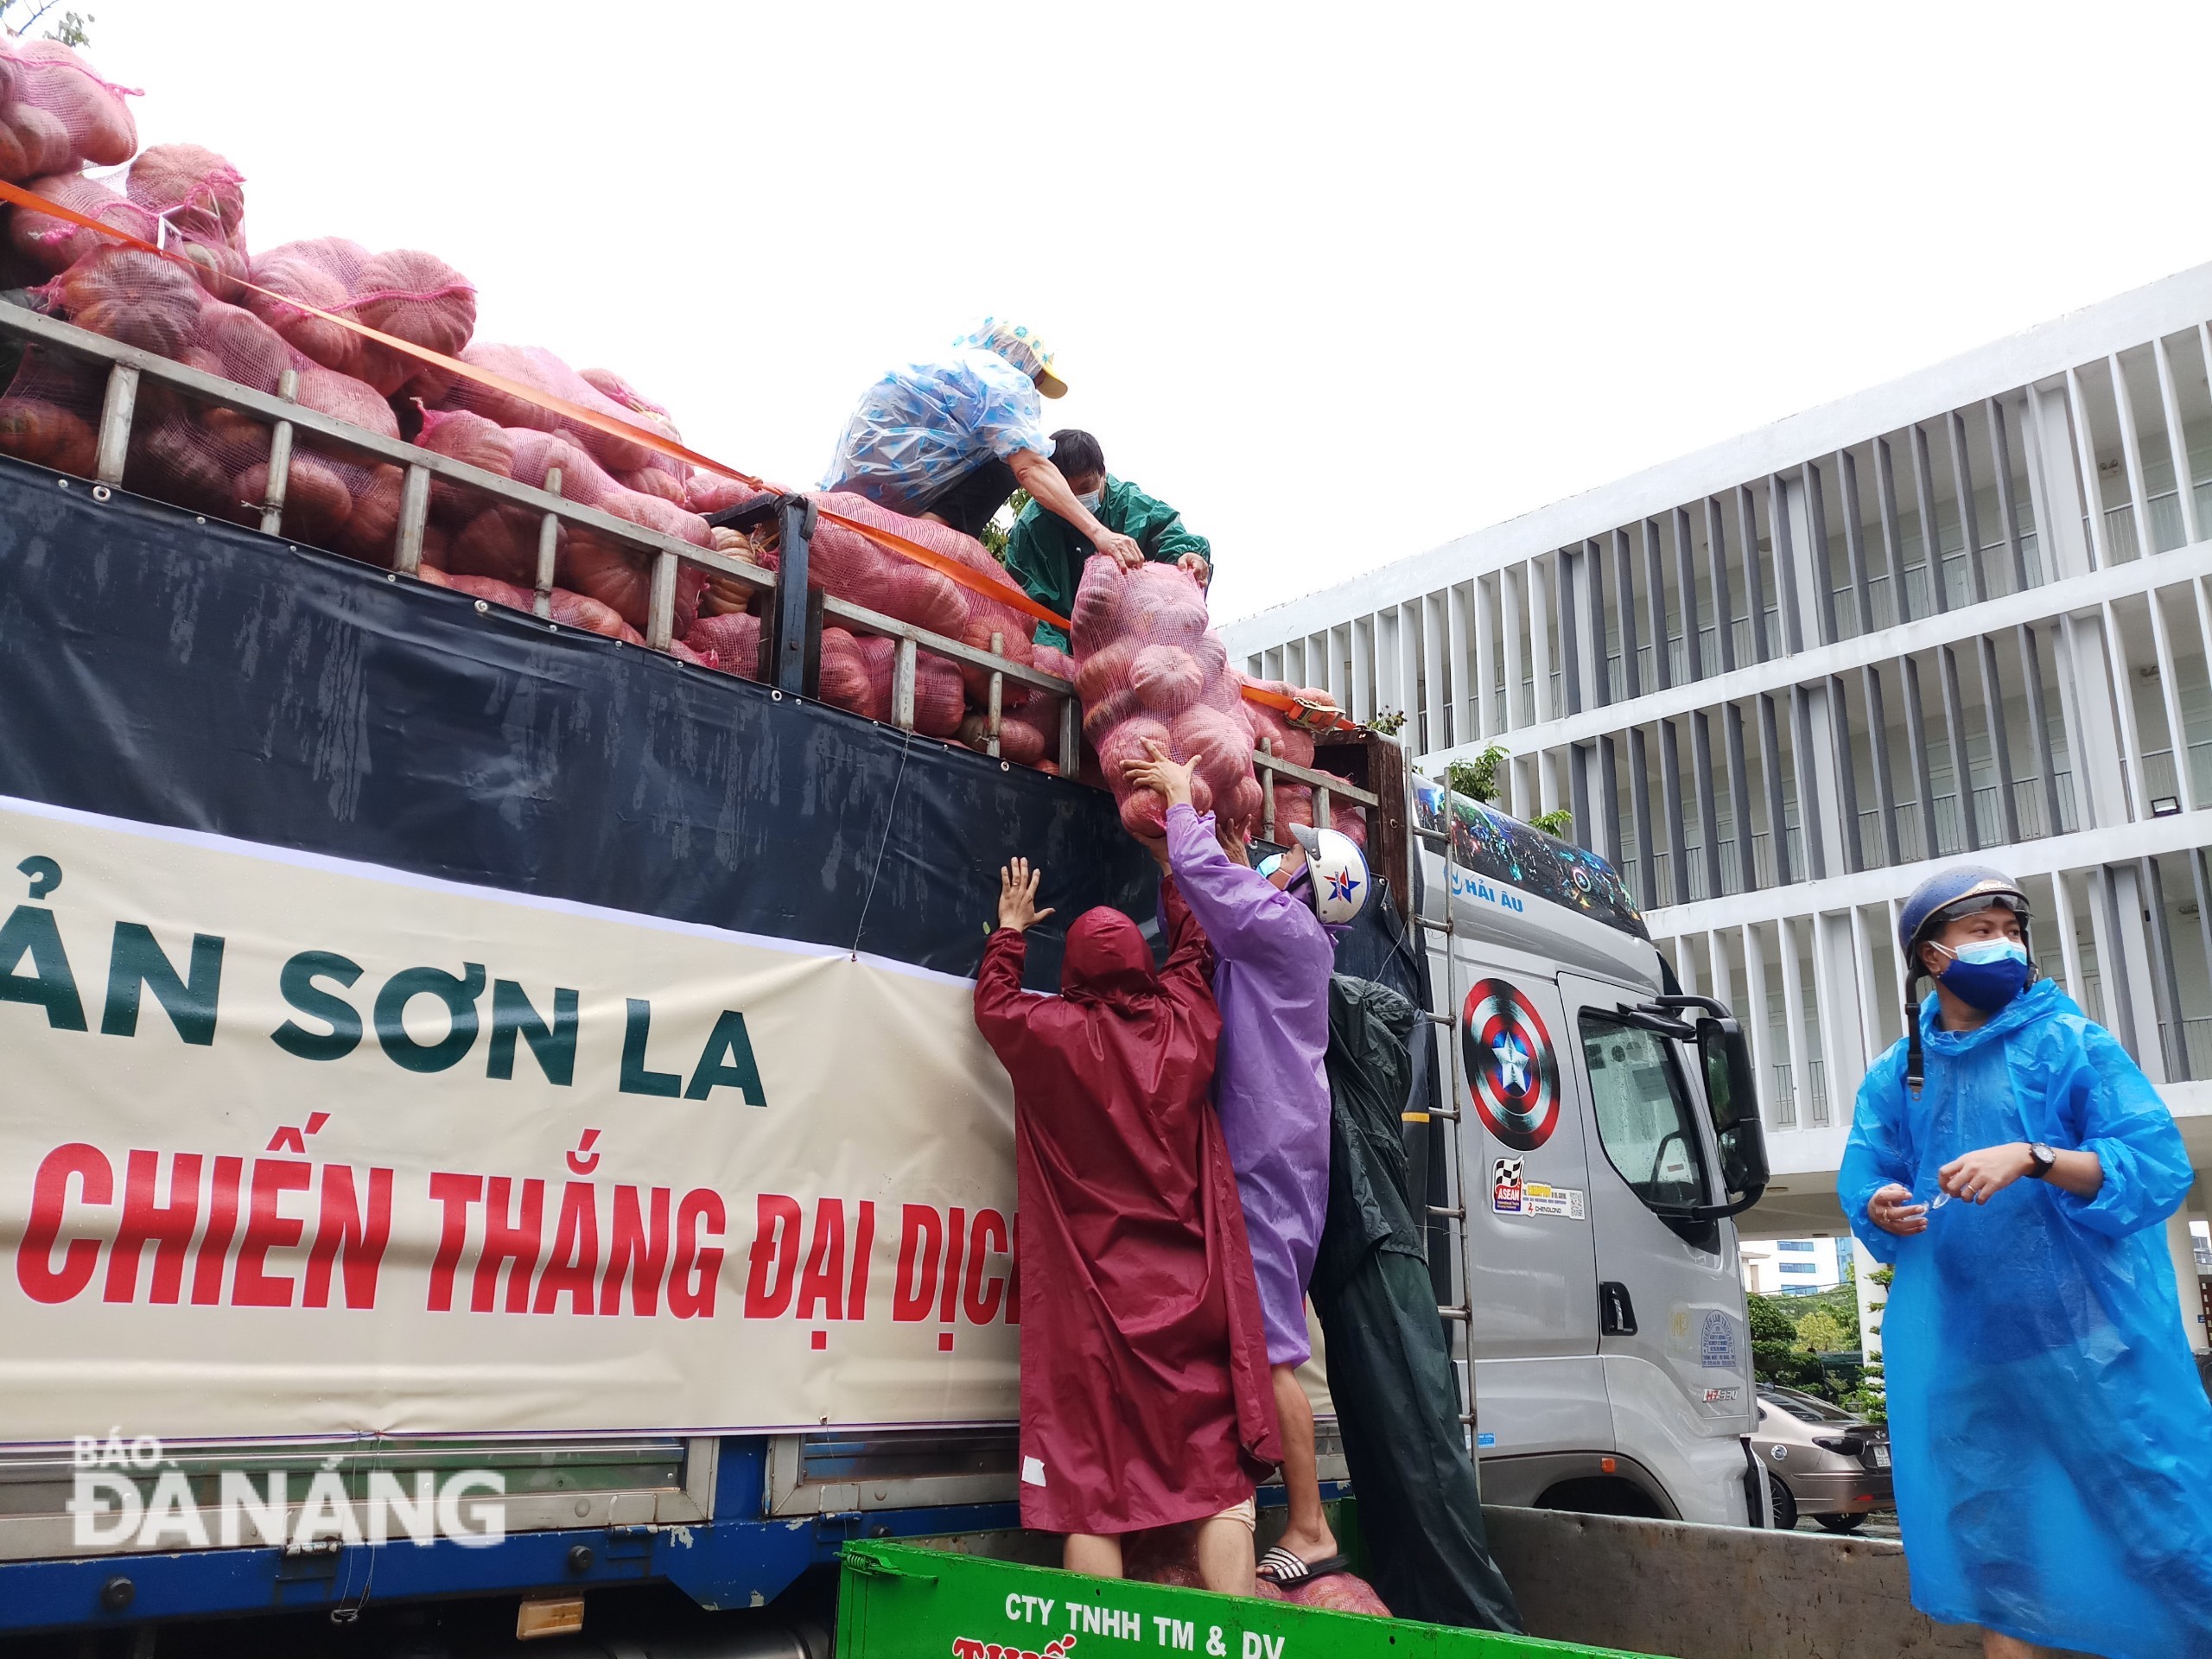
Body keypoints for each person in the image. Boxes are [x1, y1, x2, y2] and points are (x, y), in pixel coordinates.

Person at [1838, 864, 2212, 1659]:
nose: (2005, 943)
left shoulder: (2070, 1043)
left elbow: (2157, 1166)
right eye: (1983, 930)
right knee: (1995, 1556)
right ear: (1932, 956)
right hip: (1967, 1347)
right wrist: (1877, 1204)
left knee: (2166, 1532)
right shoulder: (1898, 1070)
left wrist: (2035, 1156)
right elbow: (1866, 1174)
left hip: (2088, 1345)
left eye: (2013, 929)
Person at [971, 856, 1279, 1594]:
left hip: (1095, 1317)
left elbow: (994, 1005)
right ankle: (1236, 1641)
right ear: (1142, 964)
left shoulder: (1049, 1034)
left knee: (1092, 1495)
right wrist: (1173, 863)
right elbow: (1195, 949)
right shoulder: (1185, 1020)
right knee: (1218, 1478)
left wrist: (1010, 931)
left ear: (1071, 971)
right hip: (1191, 1298)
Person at [1123, 744, 1364, 1590]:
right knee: (1259, 1339)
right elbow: (1206, 892)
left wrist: (1178, 801)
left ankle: (1310, 1522)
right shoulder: (1282, 935)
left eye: (1293, 855)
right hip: (1272, 1146)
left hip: (1267, 1153)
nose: (1278, 856)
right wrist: (1182, 851)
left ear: (1309, 885)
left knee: (1272, 1350)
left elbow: (1217, 887)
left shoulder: (1285, 929)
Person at [820, 319, 1144, 566]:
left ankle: (914, 531)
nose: (1033, 388)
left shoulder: (949, 368)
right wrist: (1100, 533)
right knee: (1007, 461)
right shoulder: (1004, 381)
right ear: (1022, 365)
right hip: (899, 480)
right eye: (1036, 378)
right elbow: (1030, 467)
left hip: (859, 487)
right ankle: (923, 536)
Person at [1001, 429, 1215, 650]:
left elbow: (1172, 537)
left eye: (1086, 487)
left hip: (1138, 649)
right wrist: (1059, 661)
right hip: (1061, 659)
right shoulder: (1031, 529)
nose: (1079, 499)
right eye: (1067, 492)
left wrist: (1189, 556)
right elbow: (1027, 608)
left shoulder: (1130, 505)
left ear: (1103, 473)